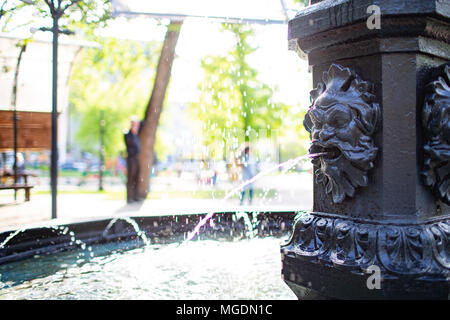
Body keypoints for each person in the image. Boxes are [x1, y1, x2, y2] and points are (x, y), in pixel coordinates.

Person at [124, 116, 142, 203]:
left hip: (136, 158)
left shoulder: (137, 135)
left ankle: (135, 196)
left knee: (136, 178)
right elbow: (130, 146)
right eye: (135, 124)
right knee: (130, 178)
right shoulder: (128, 134)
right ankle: (129, 197)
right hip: (131, 158)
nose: (137, 126)